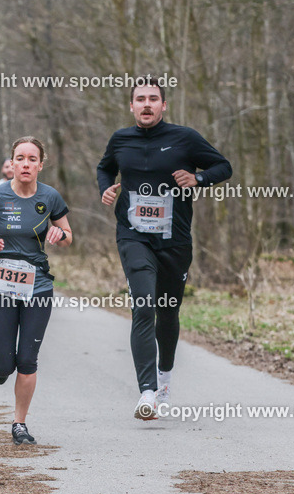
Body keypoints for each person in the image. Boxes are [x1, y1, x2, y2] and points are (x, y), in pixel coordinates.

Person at [96, 77, 232, 421]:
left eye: (153, 99)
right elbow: (105, 166)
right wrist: (106, 189)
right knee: (143, 306)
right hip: (133, 236)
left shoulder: (184, 138)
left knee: (168, 311)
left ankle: (165, 378)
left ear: (163, 105)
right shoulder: (121, 139)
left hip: (175, 240)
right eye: (139, 99)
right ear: (131, 106)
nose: (146, 104)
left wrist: (198, 179)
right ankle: (147, 391)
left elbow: (223, 167)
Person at [0, 137, 72, 445]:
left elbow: (68, 235)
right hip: (1, 288)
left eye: (32, 159)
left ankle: (19, 424)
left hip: (38, 287)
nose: (25, 164)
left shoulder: (50, 197)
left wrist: (59, 233)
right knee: (4, 365)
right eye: (20, 159)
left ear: (41, 163)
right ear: (11, 164)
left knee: (27, 359)